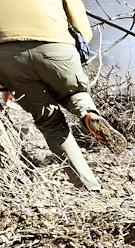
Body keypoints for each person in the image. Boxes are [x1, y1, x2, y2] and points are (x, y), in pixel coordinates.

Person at [0, 0, 126, 191]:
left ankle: (88, 186)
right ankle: (88, 113)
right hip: (56, 45)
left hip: (7, 55)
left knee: (50, 122)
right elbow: (81, 25)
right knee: (75, 92)